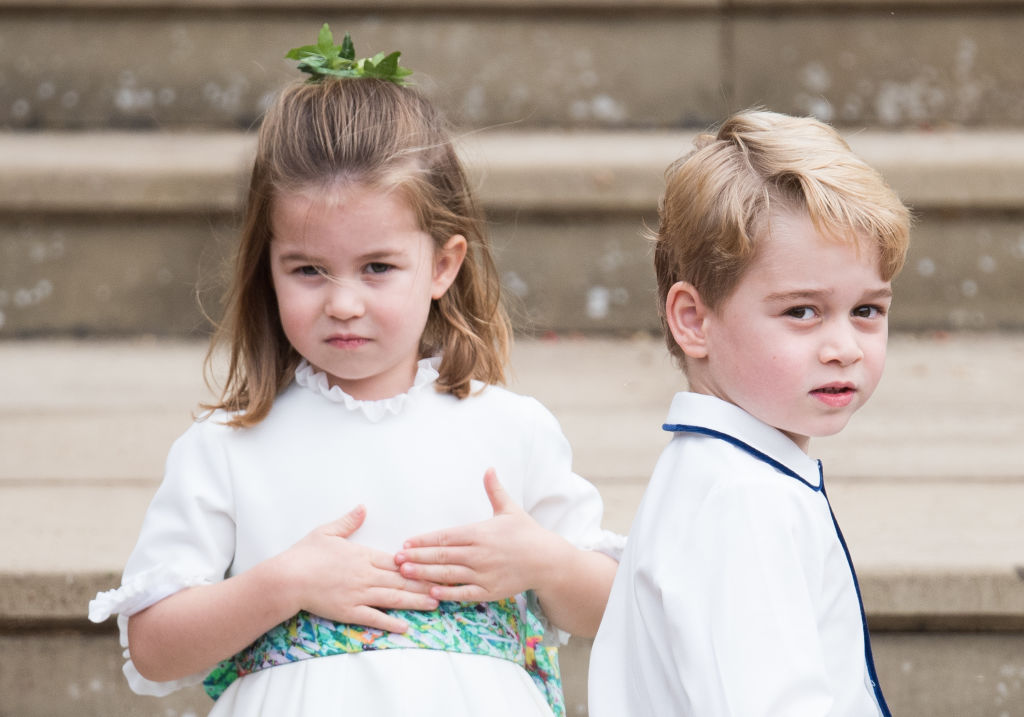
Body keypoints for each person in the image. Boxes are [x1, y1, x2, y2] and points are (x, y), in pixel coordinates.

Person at [89, 26, 620, 717]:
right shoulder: (229, 446)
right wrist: (283, 583)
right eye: (308, 269)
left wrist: (545, 562)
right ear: (268, 268)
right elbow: (154, 646)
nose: (343, 302)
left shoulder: (509, 428)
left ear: (443, 264)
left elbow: (617, 607)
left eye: (377, 267)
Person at [588, 109, 911, 716]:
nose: (843, 347)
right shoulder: (743, 501)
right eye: (802, 312)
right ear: (693, 319)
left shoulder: (723, 476)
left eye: (866, 310)